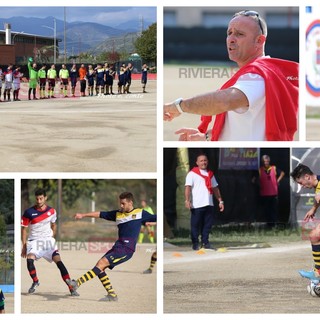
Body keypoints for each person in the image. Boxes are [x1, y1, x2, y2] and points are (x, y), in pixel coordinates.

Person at [163, 10, 299, 141]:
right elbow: (246, 127)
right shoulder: (266, 71)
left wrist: (179, 106)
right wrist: (205, 137)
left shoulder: (257, 76)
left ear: (259, 41)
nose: (231, 39)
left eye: (239, 34)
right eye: (229, 33)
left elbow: (223, 101)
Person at [67, 191, 157, 300]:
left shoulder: (140, 213)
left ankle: (77, 283)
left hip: (127, 249)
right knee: (100, 268)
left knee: (101, 263)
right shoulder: (117, 214)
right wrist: (83, 215)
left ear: (130, 203)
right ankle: (112, 295)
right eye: (120, 203)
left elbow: (156, 218)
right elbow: (100, 214)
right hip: (118, 246)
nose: (121, 205)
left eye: (123, 203)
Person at [21, 188, 78, 296]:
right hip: (34, 241)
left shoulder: (52, 211)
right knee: (29, 260)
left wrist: (52, 236)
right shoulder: (28, 212)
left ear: (45, 198)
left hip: (48, 241)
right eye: (37, 199)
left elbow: (53, 224)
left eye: (41, 198)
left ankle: (71, 287)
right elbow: (23, 229)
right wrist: (24, 246)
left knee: (59, 261)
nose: (39, 201)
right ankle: (35, 281)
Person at [185, 154, 224, 250]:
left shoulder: (210, 174)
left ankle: (205, 242)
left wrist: (220, 201)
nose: (203, 162)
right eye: (201, 161)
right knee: (195, 225)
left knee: (207, 225)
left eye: (205, 160)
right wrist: (187, 200)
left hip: (209, 203)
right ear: (197, 163)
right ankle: (195, 243)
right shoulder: (192, 174)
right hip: (197, 204)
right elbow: (188, 188)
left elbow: (215, 188)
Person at [290, 164, 320, 287]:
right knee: (314, 236)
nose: (301, 186)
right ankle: (317, 273)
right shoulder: (317, 184)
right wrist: (313, 208)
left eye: (301, 182)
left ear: (307, 177)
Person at [257, 155, 285, 228]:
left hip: (274, 193)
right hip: (264, 193)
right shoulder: (260, 170)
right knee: (267, 210)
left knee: (274, 209)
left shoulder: (273, 168)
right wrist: (259, 185)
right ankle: (269, 225)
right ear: (262, 162)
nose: (266, 163)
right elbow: (254, 179)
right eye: (265, 161)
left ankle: (274, 224)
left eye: (267, 161)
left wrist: (277, 181)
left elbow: (282, 173)